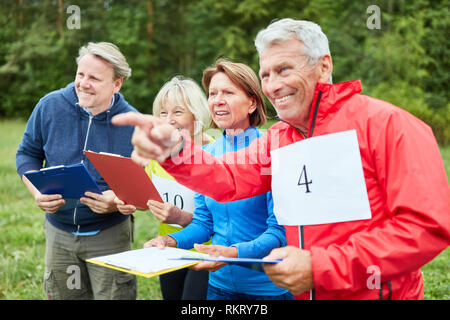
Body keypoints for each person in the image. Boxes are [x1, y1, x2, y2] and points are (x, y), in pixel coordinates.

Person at [112, 19, 450, 300]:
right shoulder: (280, 139)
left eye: (284, 69)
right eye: (267, 73)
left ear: (324, 66)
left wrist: (320, 266)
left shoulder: (388, 124)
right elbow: (228, 178)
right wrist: (175, 150)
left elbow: (426, 226)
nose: (273, 85)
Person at [146, 59, 291, 300]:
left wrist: (232, 253)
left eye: (228, 93)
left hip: (268, 290)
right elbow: (204, 224)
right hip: (219, 287)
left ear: (252, 103)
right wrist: (170, 240)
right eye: (213, 93)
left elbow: (278, 232)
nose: (217, 100)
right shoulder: (207, 156)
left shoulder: (272, 150)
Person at [16, 42, 138, 300]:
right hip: (58, 233)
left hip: (110, 236)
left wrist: (116, 201)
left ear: (117, 84)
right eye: (80, 75)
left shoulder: (132, 124)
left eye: (94, 78)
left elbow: (138, 187)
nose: (83, 83)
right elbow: (27, 154)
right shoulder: (49, 106)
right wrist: (36, 191)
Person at [115, 75, 212, 300]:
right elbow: (143, 198)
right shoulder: (156, 157)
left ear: (196, 114)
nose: (169, 120)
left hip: (207, 251)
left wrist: (181, 216)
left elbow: (224, 217)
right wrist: (127, 201)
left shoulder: (214, 155)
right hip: (167, 247)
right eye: (163, 113)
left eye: (177, 112)